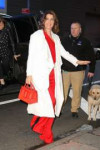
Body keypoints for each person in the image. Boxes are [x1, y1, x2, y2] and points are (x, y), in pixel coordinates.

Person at [25, 11, 90, 144]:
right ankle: (47, 134)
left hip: (54, 76)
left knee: (54, 103)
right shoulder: (36, 36)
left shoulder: (56, 37)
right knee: (47, 104)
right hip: (40, 76)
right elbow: (31, 57)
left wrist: (77, 61)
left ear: (55, 22)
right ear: (43, 21)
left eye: (52, 19)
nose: (49, 22)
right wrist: (29, 75)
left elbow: (64, 53)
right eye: (47, 19)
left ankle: (38, 125)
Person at [61, 21, 96, 118]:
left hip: (78, 71)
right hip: (65, 71)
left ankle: (74, 110)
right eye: (72, 28)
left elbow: (91, 56)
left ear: (80, 30)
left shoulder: (85, 41)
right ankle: (58, 109)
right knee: (62, 92)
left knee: (77, 91)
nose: (73, 30)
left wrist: (91, 70)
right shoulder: (64, 40)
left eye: (76, 28)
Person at [0, 17, 19, 89]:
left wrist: (14, 53)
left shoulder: (7, 29)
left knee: (5, 65)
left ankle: (8, 73)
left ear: (3, 23)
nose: (1, 26)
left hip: (6, 51)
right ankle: (2, 82)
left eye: (1, 24)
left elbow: (12, 42)